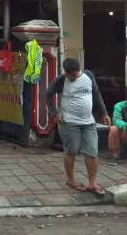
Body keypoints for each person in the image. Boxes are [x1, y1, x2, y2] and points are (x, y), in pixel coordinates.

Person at [45, 58, 111, 196]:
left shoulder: (89, 76)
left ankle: (93, 183)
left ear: (78, 70)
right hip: (69, 122)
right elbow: (47, 93)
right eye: (68, 74)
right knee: (72, 151)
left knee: (92, 152)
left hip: (88, 122)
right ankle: (71, 180)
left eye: (73, 74)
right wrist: (54, 113)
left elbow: (96, 94)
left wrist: (104, 113)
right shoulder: (61, 79)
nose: (70, 77)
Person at [108, 86, 127, 165]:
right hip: (126, 133)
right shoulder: (119, 105)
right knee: (114, 129)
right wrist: (126, 125)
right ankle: (114, 156)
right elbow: (116, 120)